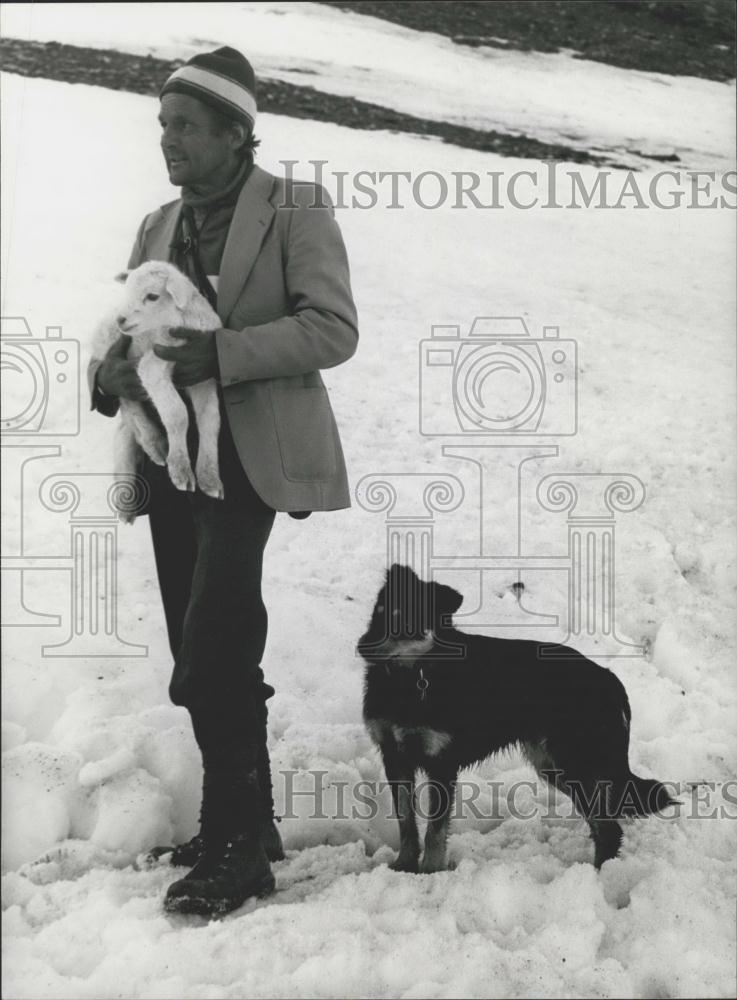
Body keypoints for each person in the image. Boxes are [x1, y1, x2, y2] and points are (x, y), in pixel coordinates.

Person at [88, 46, 358, 916]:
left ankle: (239, 846)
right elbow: (125, 334)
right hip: (172, 462)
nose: (169, 143)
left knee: (217, 637)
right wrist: (111, 378)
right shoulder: (155, 226)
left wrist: (225, 353)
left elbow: (332, 328)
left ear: (237, 134)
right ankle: (246, 822)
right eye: (163, 127)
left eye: (188, 128)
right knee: (194, 641)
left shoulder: (295, 209)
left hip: (250, 460)